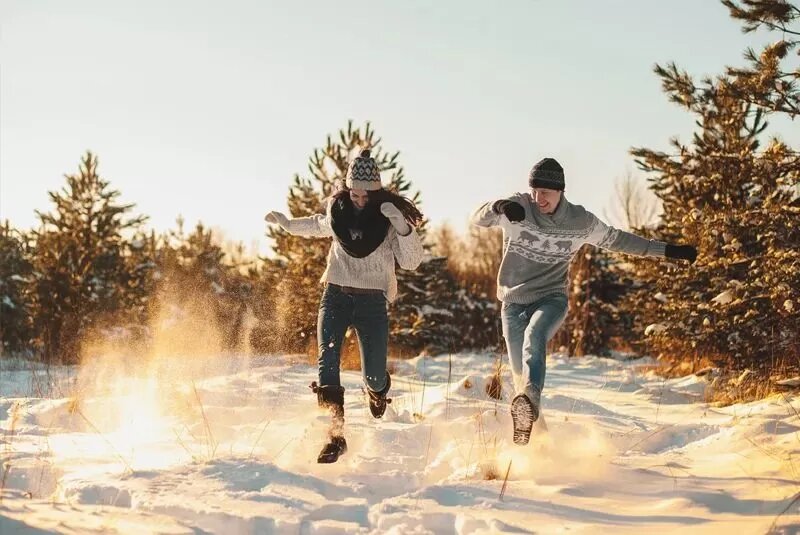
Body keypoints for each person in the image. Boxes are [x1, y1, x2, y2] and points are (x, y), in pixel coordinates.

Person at [470, 157, 697, 445]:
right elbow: (477, 218)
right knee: (519, 379)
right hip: (512, 302)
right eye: (536, 192)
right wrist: (498, 206)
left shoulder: (580, 221)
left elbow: (620, 240)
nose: (540, 199)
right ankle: (538, 444)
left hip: (551, 298)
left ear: (561, 191)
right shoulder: (519, 207)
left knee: (535, 336)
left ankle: (532, 402)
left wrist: (667, 251)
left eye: (547, 194)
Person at [265, 149, 424, 463]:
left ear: (377, 191)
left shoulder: (388, 219)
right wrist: (287, 224)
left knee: (375, 375)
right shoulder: (338, 212)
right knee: (328, 360)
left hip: (372, 303)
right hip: (335, 295)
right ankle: (335, 435)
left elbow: (411, 262)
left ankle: (377, 393)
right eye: (355, 193)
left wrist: (403, 228)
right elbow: (317, 225)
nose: (360, 200)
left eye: (367, 194)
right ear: (348, 189)